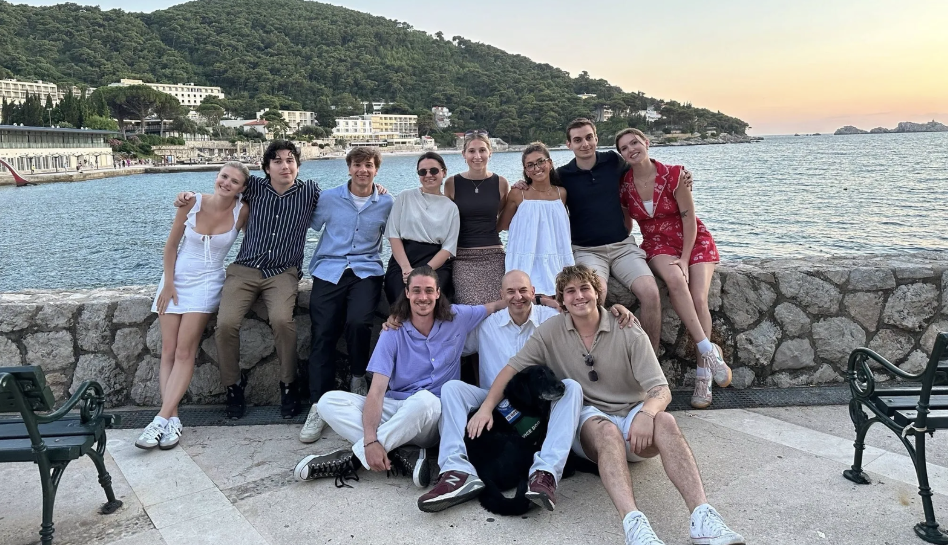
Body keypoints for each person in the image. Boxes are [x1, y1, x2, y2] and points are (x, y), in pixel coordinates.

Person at [469, 265, 744, 545]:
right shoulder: (550, 331)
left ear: (598, 292)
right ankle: (635, 525)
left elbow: (660, 390)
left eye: (585, 288)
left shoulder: (627, 328)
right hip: (591, 423)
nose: (579, 297)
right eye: (570, 291)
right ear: (561, 300)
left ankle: (703, 516)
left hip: (633, 417)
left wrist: (646, 413)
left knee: (666, 421)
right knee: (607, 432)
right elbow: (511, 368)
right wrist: (486, 407)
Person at [417, 270, 637, 513]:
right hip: (494, 398)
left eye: (523, 290)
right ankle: (456, 471)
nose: (517, 297)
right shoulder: (487, 325)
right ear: (501, 295)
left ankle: (546, 473)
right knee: (452, 389)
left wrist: (616, 309)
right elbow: (446, 339)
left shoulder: (551, 319)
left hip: (537, 403)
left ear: (534, 292)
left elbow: (587, 314)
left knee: (572, 388)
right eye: (510, 292)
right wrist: (400, 323)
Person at [293, 266, 506, 488]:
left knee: (425, 400)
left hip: (431, 417)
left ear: (437, 292)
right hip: (397, 407)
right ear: (407, 293)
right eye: (416, 291)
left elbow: (493, 306)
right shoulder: (393, 331)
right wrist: (370, 438)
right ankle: (399, 453)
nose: (422, 297)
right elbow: (376, 392)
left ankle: (352, 458)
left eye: (428, 290)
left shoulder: (458, 317)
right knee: (328, 402)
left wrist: (535, 298)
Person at [174, 141, 321, 420]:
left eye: (290, 160)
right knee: (226, 323)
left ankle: (289, 386)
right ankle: (233, 387)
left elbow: (344, 197)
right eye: (277, 161)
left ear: (298, 166)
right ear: (267, 168)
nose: (284, 165)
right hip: (244, 269)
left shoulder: (310, 191)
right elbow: (223, 190)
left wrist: (377, 189)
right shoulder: (254, 187)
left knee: (282, 320)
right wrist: (189, 196)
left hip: (282, 272)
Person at [136, 162, 250, 450]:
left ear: (241, 188)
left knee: (185, 351)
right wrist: (169, 283)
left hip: (208, 283)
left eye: (234, 181)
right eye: (224, 176)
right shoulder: (192, 203)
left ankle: (159, 419)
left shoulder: (242, 211)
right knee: (169, 352)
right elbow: (171, 246)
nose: (226, 183)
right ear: (217, 177)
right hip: (175, 280)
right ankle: (171, 419)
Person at [616, 129, 730, 409]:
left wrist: (686, 257)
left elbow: (689, 220)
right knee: (676, 282)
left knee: (699, 297)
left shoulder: (675, 175)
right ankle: (708, 350)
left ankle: (703, 375)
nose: (631, 149)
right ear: (621, 155)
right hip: (657, 244)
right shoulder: (624, 186)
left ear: (646, 143)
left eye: (635, 143)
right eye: (624, 148)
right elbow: (626, 225)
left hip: (693, 239)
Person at [299, 147, 395, 444]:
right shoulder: (329, 198)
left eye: (368, 165)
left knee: (358, 323)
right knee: (323, 332)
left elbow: (398, 234)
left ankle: (357, 378)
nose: (362, 170)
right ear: (349, 168)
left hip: (366, 271)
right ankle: (318, 404)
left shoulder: (387, 202)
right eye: (357, 165)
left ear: (376, 170)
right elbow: (306, 222)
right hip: (329, 269)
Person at [498, 142, 574, 301]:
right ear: (525, 170)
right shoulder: (518, 193)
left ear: (550, 163)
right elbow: (503, 225)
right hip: (526, 258)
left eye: (541, 162)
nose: (536, 168)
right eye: (530, 165)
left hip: (556, 258)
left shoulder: (562, 193)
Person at [384, 151, 459, 304]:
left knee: (433, 298)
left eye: (434, 170)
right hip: (404, 258)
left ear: (444, 172)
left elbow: (448, 247)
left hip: (435, 262)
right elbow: (394, 234)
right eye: (422, 171)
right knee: (400, 297)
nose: (428, 175)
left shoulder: (451, 208)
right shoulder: (405, 197)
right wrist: (406, 268)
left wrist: (424, 271)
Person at [444, 130, 509, 305]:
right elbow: (446, 220)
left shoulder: (501, 183)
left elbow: (501, 217)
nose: (477, 156)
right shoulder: (451, 183)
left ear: (490, 153)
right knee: (469, 307)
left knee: (499, 307)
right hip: (462, 256)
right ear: (464, 154)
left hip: (494, 255)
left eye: (482, 150)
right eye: (472, 151)